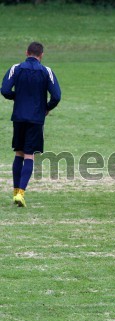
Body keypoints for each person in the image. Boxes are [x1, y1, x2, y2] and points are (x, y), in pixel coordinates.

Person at [1, 41, 61, 207]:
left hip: (19, 117)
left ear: (26, 53)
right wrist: (45, 108)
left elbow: (5, 90)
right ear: (41, 56)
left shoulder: (16, 68)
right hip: (35, 119)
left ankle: (15, 192)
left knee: (18, 153)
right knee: (29, 155)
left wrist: (18, 97)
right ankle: (21, 193)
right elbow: (56, 96)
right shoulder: (46, 71)